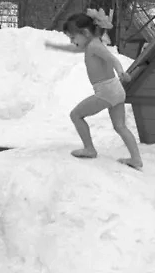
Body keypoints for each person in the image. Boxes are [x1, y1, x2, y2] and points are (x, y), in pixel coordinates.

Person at [46, 9, 143, 169]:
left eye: (73, 37)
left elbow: (112, 59)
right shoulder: (91, 44)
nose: (72, 41)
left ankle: (89, 149)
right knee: (120, 126)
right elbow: (73, 49)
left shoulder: (94, 46)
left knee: (76, 115)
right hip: (116, 90)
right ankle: (136, 159)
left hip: (107, 91)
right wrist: (55, 46)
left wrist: (121, 71)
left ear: (85, 33)